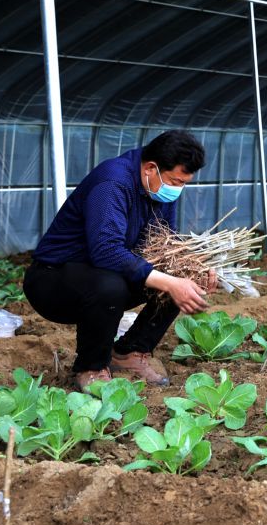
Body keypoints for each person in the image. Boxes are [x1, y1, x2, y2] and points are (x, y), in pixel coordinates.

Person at [24, 131, 213, 390]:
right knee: (113, 286)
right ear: (150, 168)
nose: (178, 189)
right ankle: (91, 367)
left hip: (101, 274)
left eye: (184, 183)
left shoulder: (156, 189)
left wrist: (193, 268)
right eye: (175, 181)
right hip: (53, 279)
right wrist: (169, 282)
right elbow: (106, 250)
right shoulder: (113, 183)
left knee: (179, 276)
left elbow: (164, 242)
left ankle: (130, 352)